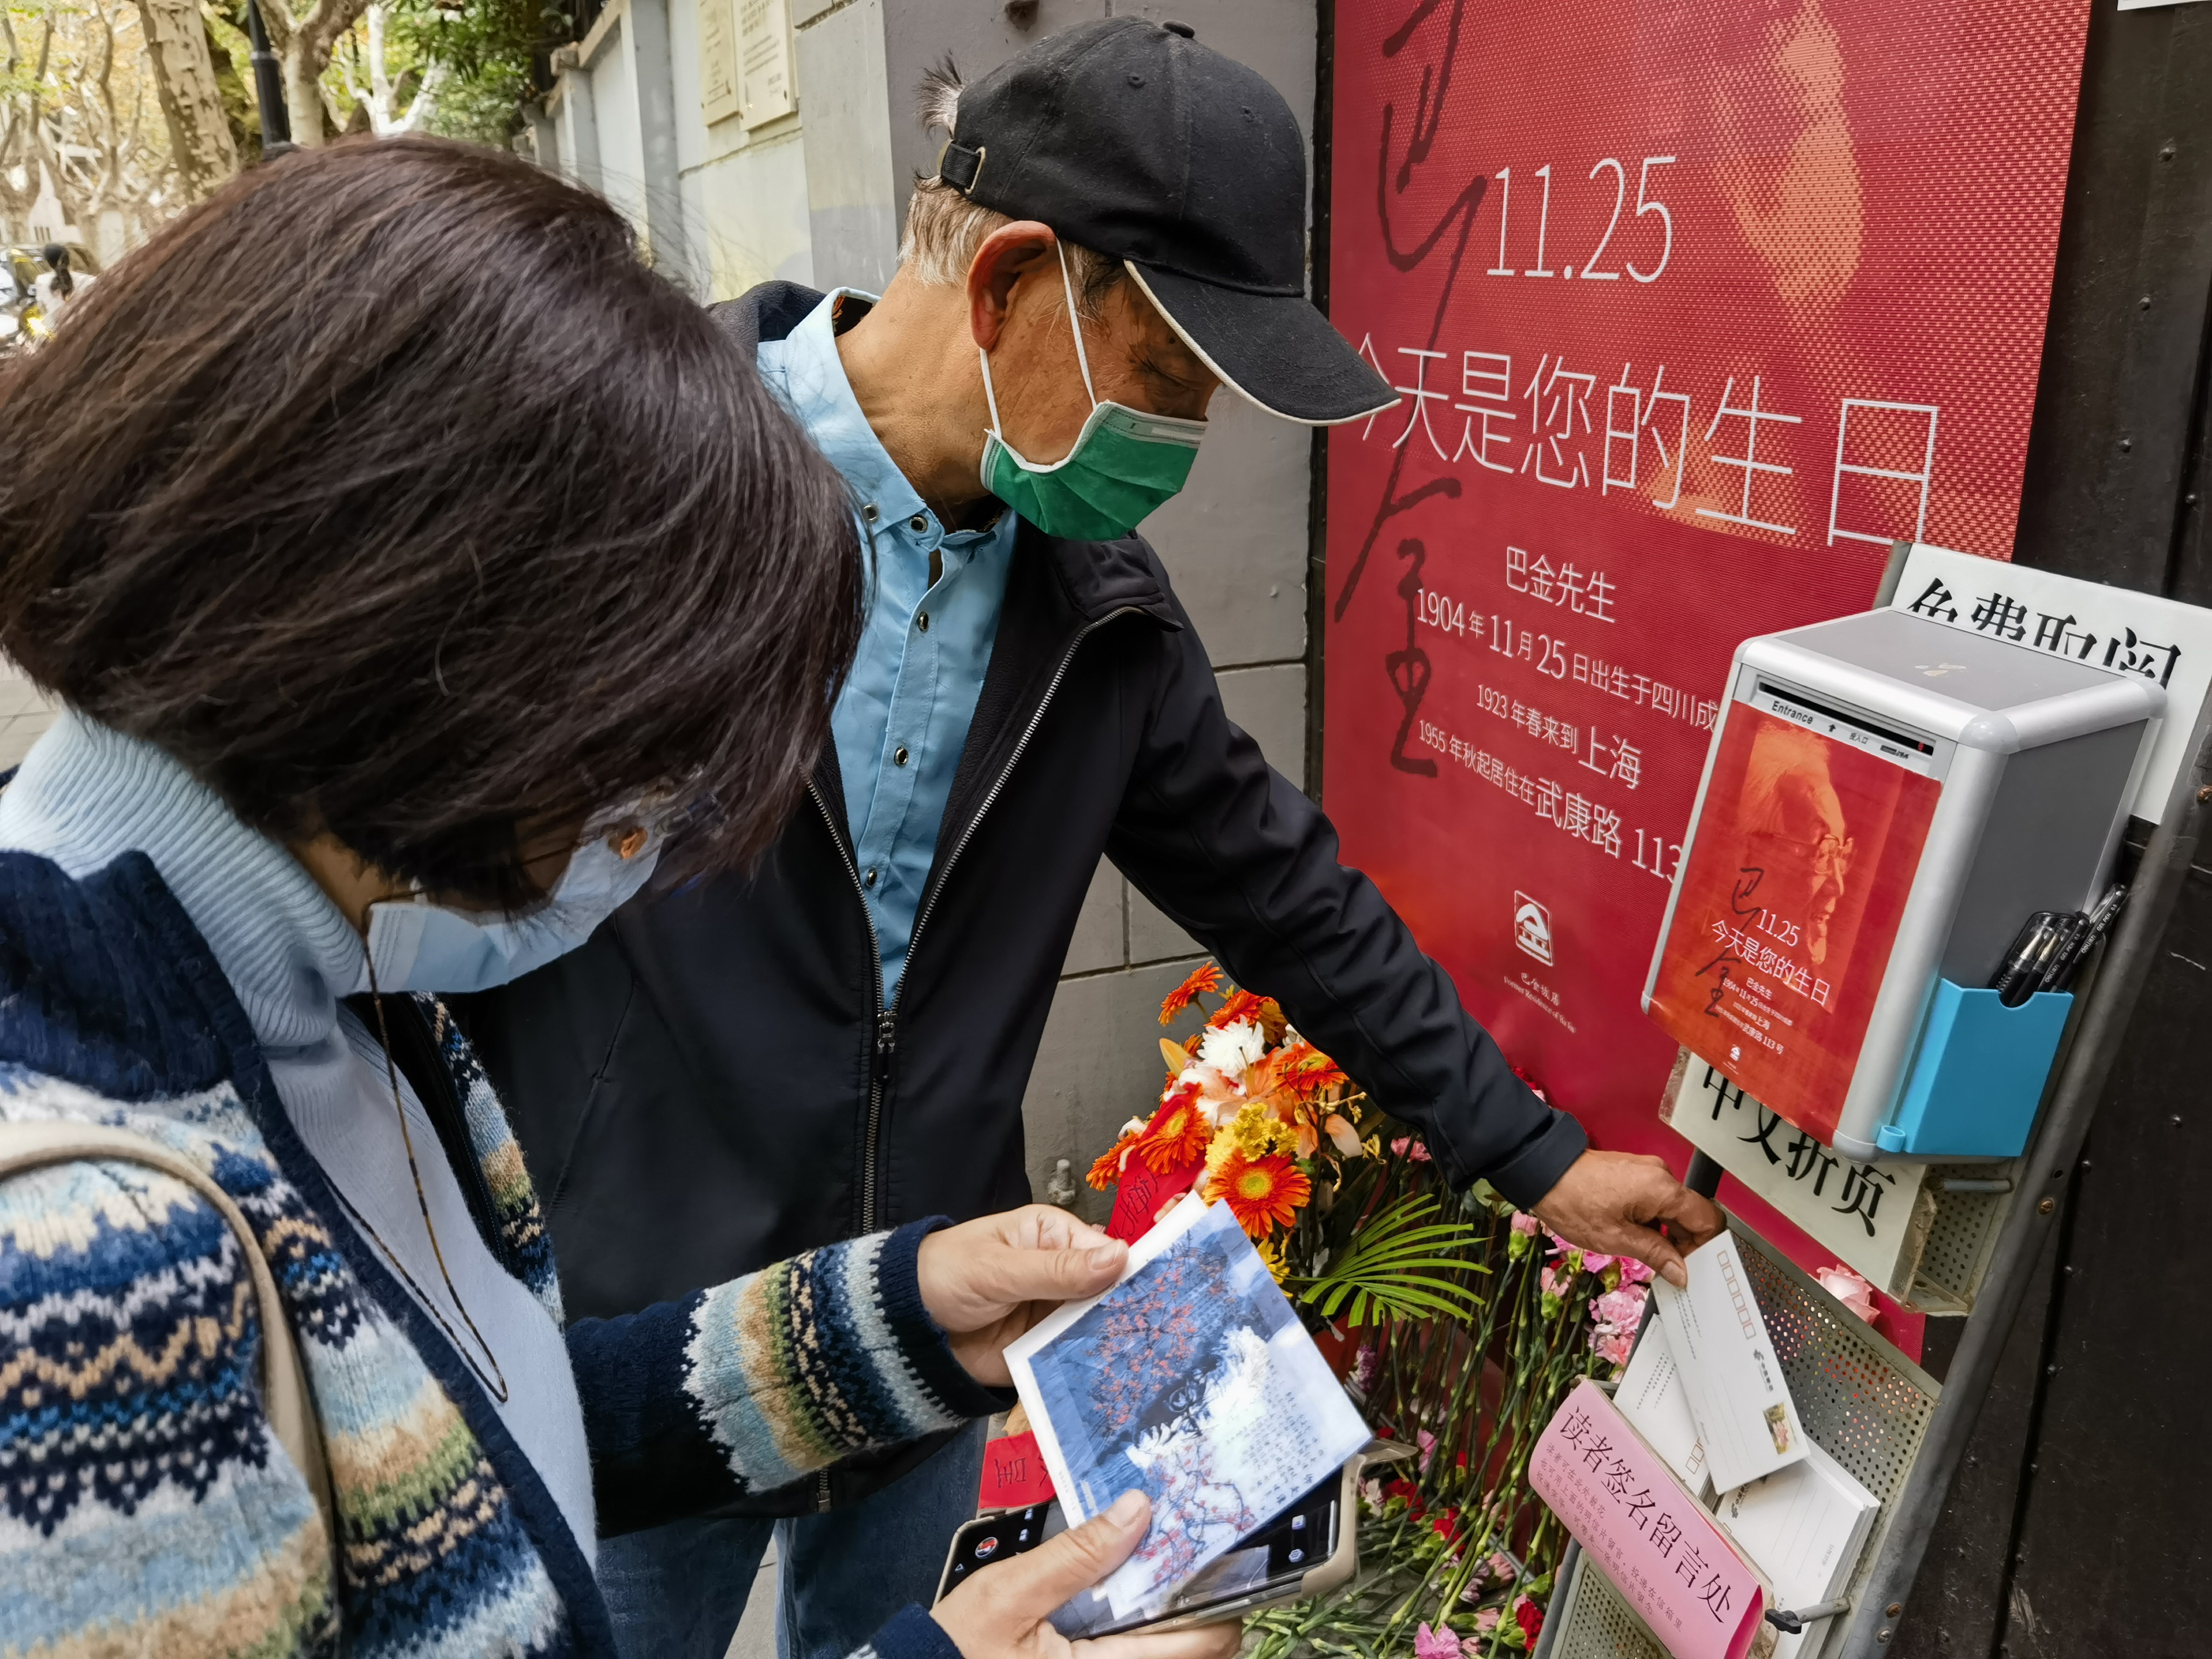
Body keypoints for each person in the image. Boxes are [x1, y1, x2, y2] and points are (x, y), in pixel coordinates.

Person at [468, 21, 1729, 1659]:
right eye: (1169, 382)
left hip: (933, 1321)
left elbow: (1289, 899)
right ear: (1008, 285)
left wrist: (1535, 1156)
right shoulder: (639, 484)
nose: (1183, 447)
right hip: (642, 1345)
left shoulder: (1101, 615)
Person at [0, 135, 1239, 1659]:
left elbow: (467, 1434)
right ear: (441, 667)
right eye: (665, 750)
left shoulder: (355, 1003)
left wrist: (894, 1321)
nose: (674, 832)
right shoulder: (75, 1294)